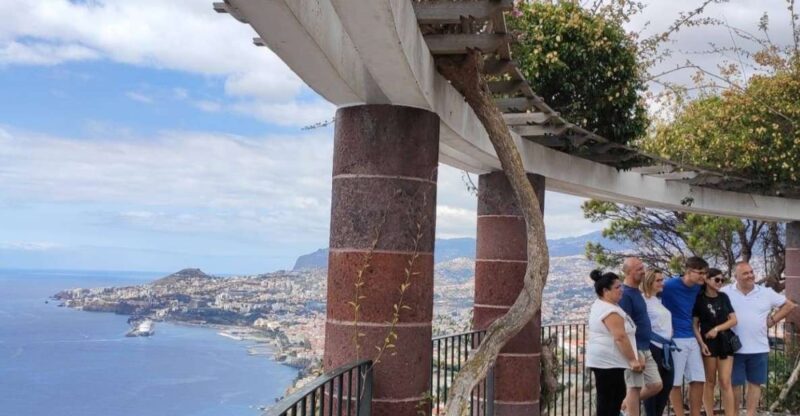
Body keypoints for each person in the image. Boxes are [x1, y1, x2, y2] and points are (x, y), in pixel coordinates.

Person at [721, 261, 797, 416]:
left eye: (751, 272)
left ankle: (750, 414)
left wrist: (772, 320)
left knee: (755, 384)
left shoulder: (766, 292)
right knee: (734, 385)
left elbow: (789, 305)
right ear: (736, 276)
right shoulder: (725, 292)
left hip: (759, 347)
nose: (750, 275)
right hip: (733, 348)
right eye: (745, 273)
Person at [587, 269, 643, 416]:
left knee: (611, 399)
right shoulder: (609, 310)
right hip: (609, 362)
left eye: (621, 286)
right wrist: (632, 359)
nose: (621, 290)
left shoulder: (605, 305)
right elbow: (620, 336)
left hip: (609, 362)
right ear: (606, 291)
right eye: (617, 287)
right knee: (611, 401)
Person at [661, 256, 708, 416]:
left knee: (698, 378)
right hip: (675, 338)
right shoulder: (669, 286)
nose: (703, 276)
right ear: (688, 271)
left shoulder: (698, 288)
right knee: (674, 382)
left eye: (705, 273)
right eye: (700, 272)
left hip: (691, 336)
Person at [619, 258, 662, 416]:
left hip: (645, 346)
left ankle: (624, 406)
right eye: (639, 269)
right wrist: (634, 353)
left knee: (655, 384)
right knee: (634, 387)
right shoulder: (625, 295)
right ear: (629, 272)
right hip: (636, 348)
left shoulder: (637, 292)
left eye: (642, 268)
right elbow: (626, 326)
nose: (643, 271)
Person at [692, 268, 737, 416]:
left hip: (725, 341)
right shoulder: (699, 299)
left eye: (722, 280)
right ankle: (710, 413)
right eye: (716, 279)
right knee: (709, 381)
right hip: (708, 343)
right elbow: (695, 324)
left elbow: (734, 320)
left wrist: (717, 329)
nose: (720, 282)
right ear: (707, 279)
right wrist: (701, 343)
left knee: (725, 381)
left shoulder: (724, 297)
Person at [641, 269, 674, 416]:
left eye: (662, 280)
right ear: (649, 282)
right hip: (653, 346)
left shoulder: (656, 300)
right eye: (658, 280)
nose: (662, 283)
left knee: (666, 385)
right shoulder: (643, 301)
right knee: (653, 387)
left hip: (665, 347)